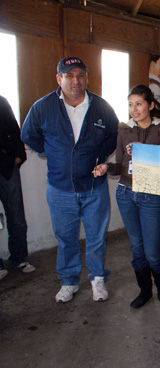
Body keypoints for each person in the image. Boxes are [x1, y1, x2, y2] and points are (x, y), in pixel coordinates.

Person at [21, 57, 118, 303]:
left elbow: (112, 136)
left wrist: (99, 157)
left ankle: (98, 278)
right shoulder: (43, 107)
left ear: (87, 77)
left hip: (94, 187)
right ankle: (69, 280)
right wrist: (49, 153)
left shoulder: (102, 107)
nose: (75, 81)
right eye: (69, 75)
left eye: (80, 75)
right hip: (60, 187)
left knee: (96, 237)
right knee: (65, 238)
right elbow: (28, 135)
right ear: (59, 79)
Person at [94, 85, 160, 309]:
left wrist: (145, 152)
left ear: (151, 105)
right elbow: (118, 166)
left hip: (152, 195)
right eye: (130, 104)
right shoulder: (124, 129)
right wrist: (105, 168)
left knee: (152, 251)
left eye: (139, 103)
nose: (134, 109)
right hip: (125, 193)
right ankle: (145, 290)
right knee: (136, 248)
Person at [0, 95, 35, 280]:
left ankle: (19, 257)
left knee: (16, 215)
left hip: (7, 168)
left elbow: (14, 130)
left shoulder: (1, 102)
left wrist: (19, 156)